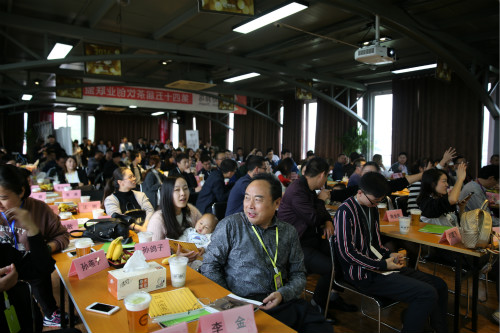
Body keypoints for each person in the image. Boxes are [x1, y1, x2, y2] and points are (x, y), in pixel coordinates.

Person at [202, 173, 333, 333]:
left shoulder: (288, 232)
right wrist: (231, 301)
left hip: (279, 302)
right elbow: (210, 266)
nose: (249, 206)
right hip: (240, 304)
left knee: (322, 328)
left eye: (257, 200)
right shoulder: (231, 226)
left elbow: (299, 274)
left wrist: (283, 294)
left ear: (277, 203)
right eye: (246, 198)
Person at [334, 172, 448, 333]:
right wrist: (381, 264)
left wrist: (389, 255)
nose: (376, 205)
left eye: (379, 201)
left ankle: (435, 328)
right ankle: (411, 322)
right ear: (360, 192)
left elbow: (374, 244)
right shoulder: (345, 212)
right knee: (426, 294)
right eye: (374, 201)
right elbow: (347, 253)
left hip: (380, 267)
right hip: (363, 274)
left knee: (439, 285)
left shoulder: (371, 208)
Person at [277, 157, 356, 316]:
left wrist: (327, 220)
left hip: (310, 239)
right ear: (322, 175)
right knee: (330, 268)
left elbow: (319, 214)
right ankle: (317, 306)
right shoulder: (297, 190)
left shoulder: (308, 188)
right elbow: (313, 218)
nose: (327, 179)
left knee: (342, 254)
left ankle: (331, 297)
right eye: (327, 175)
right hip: (295, 244)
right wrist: (321, 201)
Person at [0, 164, 70, 327]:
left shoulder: (39, 210)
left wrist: (45, 248)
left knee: (39, 277)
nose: (0, 204)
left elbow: (62, 236)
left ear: (21, 191)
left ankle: (50, 312)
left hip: (32, 265)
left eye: (3, 197)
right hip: (4, 269)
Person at [146, 176, 202, 261]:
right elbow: (152, 254)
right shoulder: (158, 220)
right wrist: (175, 257)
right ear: (167, 193)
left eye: (185, 188)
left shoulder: (191, 211)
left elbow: (206, 232)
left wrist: (203, 247)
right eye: (177, 190)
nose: (183, 193)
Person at [103, 167, 154, 232]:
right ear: (120, 182)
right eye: (130, 177)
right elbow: (118, 218)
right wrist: (138, 228)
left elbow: (150, 210)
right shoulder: (110, 200)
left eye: (133, 176)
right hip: (126, 233)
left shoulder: (140, 195)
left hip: (146, 230)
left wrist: (145, 226)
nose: (134, 178)